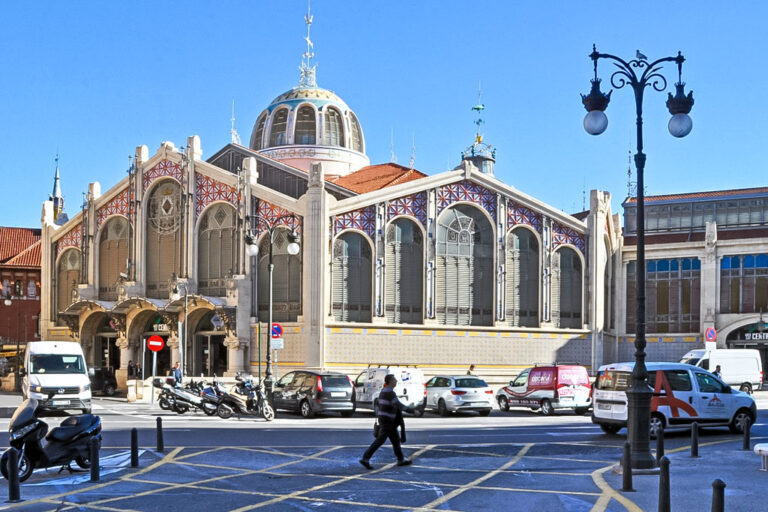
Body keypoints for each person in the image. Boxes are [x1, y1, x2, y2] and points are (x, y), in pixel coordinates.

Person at [360, 374, 412, 469]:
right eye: (395, 379)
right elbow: (398, 405)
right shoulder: (390, 393)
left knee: (395, 440)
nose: (396, 381)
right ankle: (365, 458)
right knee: (380, 440)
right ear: (390, 381)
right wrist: (412, 410)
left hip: (386, 420)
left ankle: (400, 459)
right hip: (387, 420)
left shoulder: (384, 391)